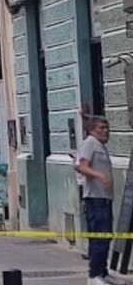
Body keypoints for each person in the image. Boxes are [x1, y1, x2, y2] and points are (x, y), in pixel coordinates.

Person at [76, 115, 117, 285]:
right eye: (101, 128)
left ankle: (102, 272)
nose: (105, 131)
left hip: (104, 198)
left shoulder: (100, 145)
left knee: (105, 236)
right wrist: (99, 175)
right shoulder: (90, 143)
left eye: (107, 128)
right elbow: (80, 165)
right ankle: (93, 276)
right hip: (95, 198)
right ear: (92, 130)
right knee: (99, 237)